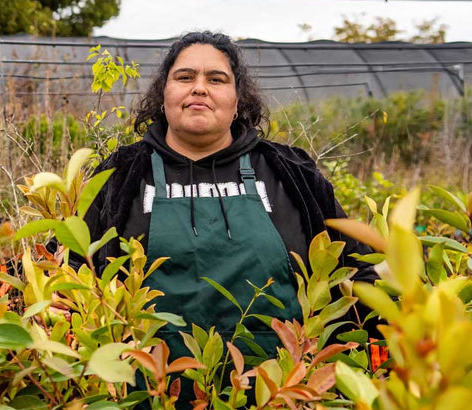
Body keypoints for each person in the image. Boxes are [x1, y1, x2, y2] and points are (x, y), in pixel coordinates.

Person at [77, 31, 377, 367]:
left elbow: (357, 273)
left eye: (216, 79)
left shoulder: (291, 172)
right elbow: (71, 276)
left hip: (280, 394)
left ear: (238, 101)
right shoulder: (120, 175)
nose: (199, 87)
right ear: (164, 95)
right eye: (185, 77)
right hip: (148, 395)